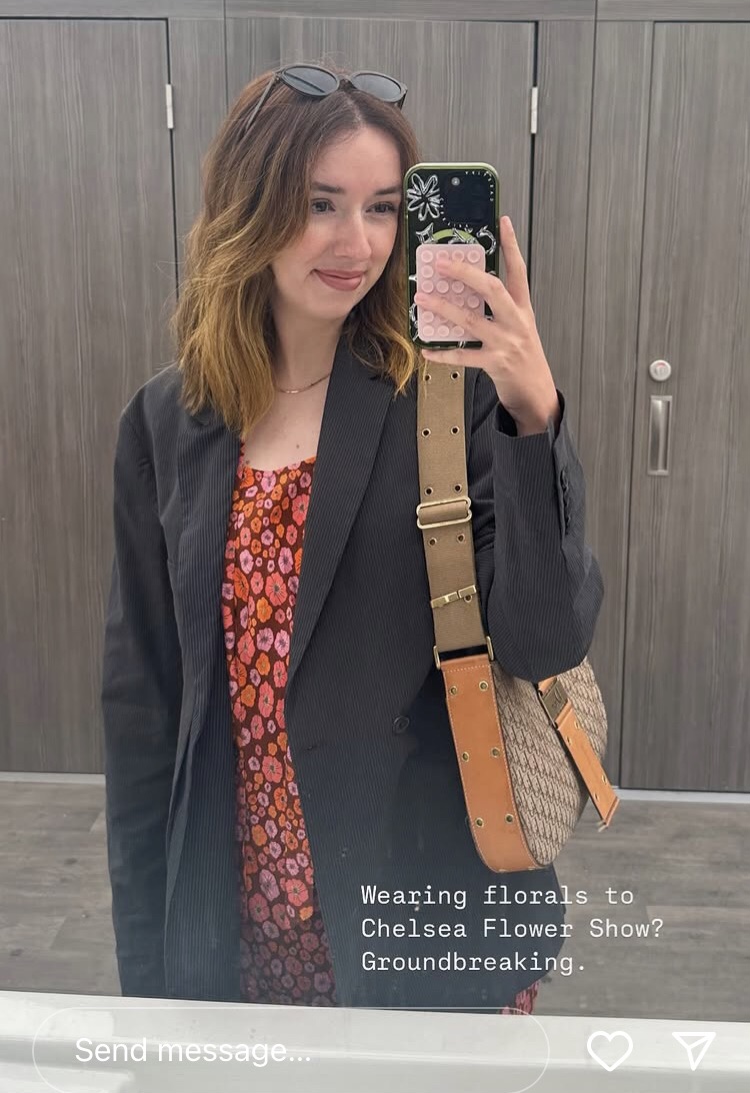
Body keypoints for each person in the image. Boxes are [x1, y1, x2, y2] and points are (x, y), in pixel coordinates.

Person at [101, 62, 604, 1016]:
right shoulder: (168, 421)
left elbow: (544, 639)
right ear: (249, 208)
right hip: (232, 924)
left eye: (382, 209)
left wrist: (534, 416)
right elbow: (145, 712)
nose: (357, 243)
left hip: (419, 916)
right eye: (320, 203)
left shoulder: (447, 400)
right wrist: (146, 972)